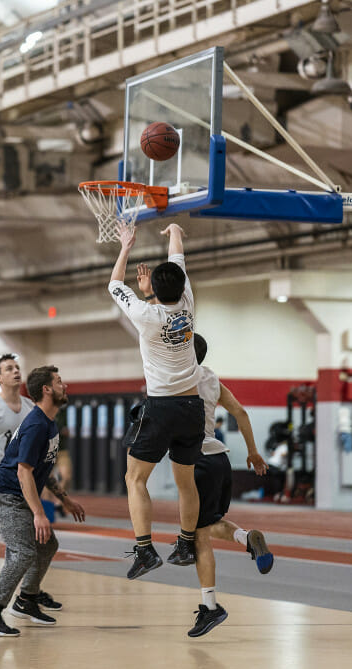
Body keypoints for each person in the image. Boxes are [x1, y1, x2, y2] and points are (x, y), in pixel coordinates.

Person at [109, 222, 204, 578]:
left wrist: (126, 245)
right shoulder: (189, 301)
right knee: (186, 482)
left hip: (161, 408)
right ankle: (185, 543)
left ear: (154, 291)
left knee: (134, 479)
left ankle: (145, 550)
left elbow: (115, 285)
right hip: (192, 407)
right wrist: (176, 230)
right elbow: (177, 258)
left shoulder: (146, 315)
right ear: (181, 285)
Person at [0, 365, 86, 637]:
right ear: (46, 389)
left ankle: (26, 601)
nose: (64, 385)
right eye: (59, 381)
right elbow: (24, 472)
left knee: (47, 546)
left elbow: (41, 469)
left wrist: (64, 499)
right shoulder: (36, 425)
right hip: (5, 497)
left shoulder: (49, 423)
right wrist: (39, 513)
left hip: (18, 495)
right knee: (23, 552)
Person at [188, 333, 274, 637]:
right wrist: (252, 451)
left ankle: (209, 607)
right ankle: (247, 538)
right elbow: (240, 412)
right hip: (220, 461)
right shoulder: (211, 378)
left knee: (199, 536)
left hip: (195, 461)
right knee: (209, 523)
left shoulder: (175, 377)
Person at [0, 354, 60, 613]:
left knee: (34, 543)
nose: (16, 371)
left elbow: (37, 458)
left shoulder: (32, 408)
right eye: (9, 368)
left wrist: (58, 493)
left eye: (17, 367)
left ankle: (31, 594)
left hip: (24, 482)